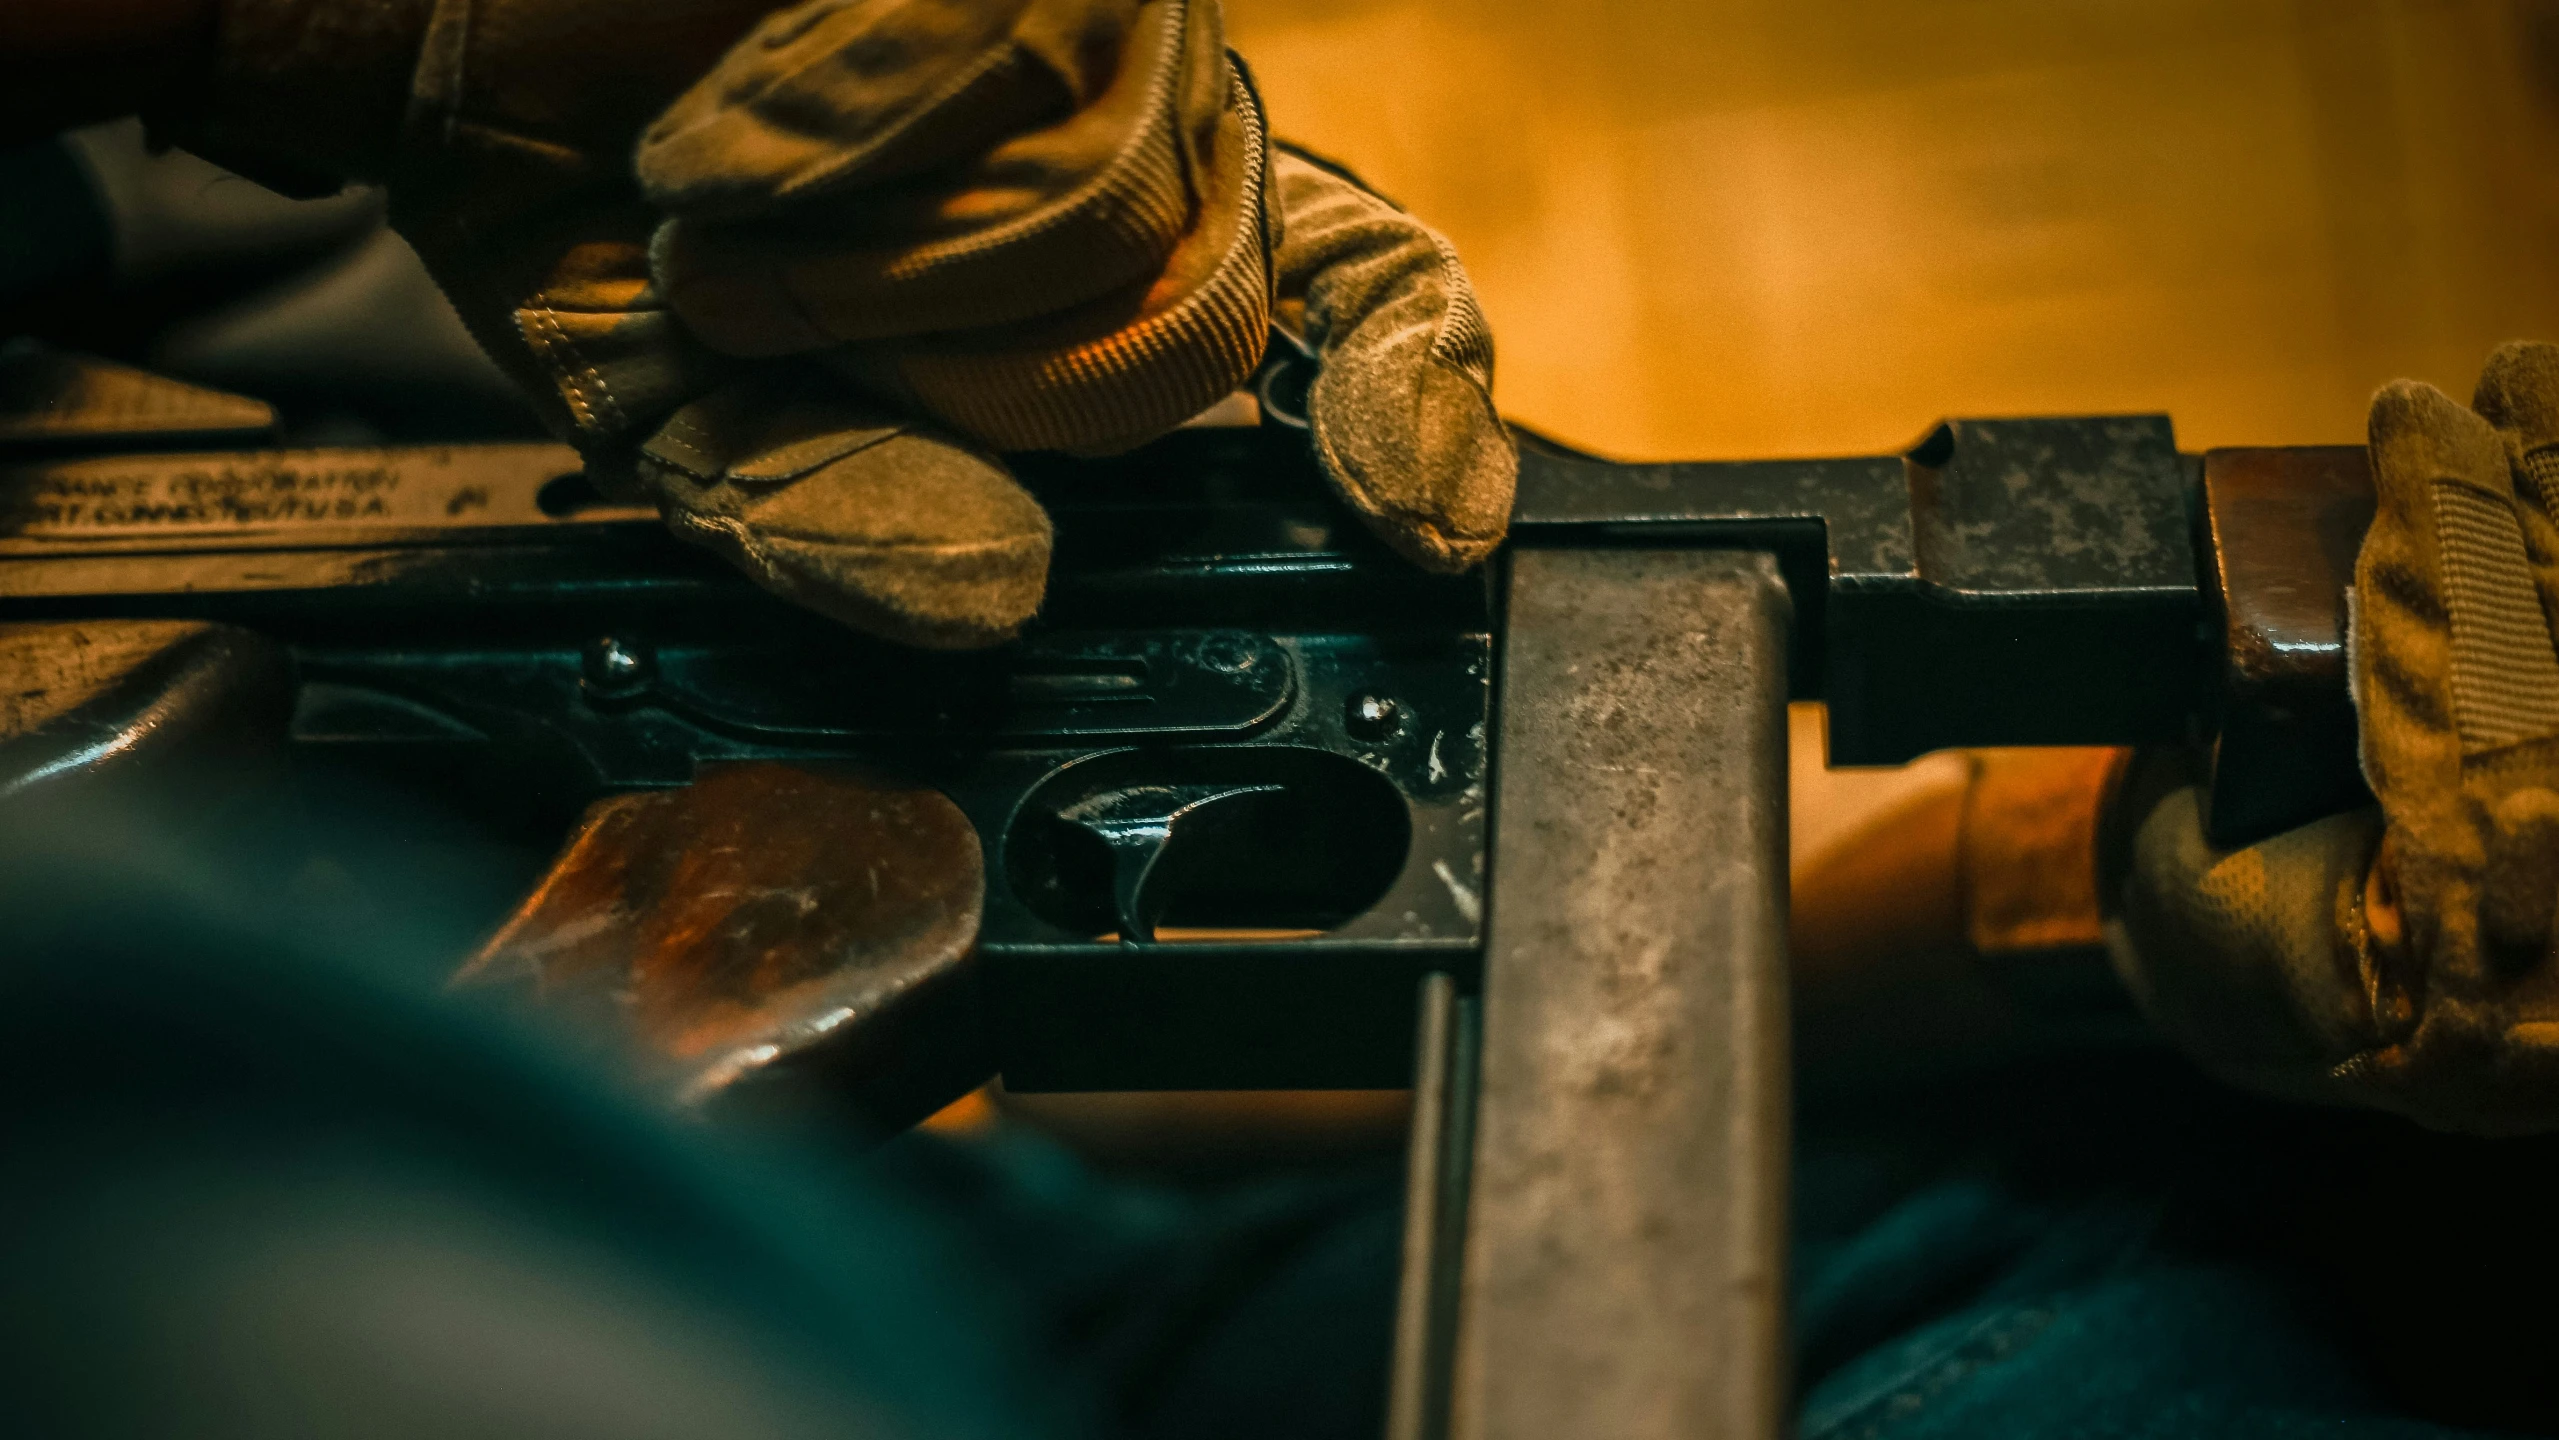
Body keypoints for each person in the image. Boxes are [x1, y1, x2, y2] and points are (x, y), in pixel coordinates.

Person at [7, 1, 2559, 1435]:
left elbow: (1213, 1058)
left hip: (770, 1097)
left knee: (2164, 1360)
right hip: (251, 1059)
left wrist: (2068, 913)